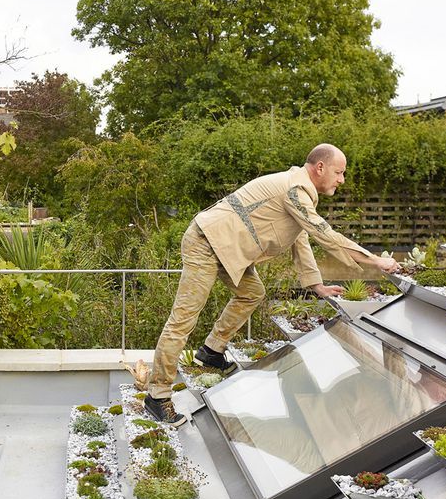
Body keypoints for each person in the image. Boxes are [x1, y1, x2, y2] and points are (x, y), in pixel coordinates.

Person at [144, 143, 399, 426]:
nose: (342, 180)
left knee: (252, 293)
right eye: (339, 173)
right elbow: (324, 234)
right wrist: (376, 261)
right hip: (207, 242)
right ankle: (157, 396)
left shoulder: (299, 192)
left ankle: (211, 351)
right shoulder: (294, 190)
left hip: (227, 247)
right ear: (320, 168)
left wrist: (317, 286)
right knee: (183, 320)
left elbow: (300, 240)